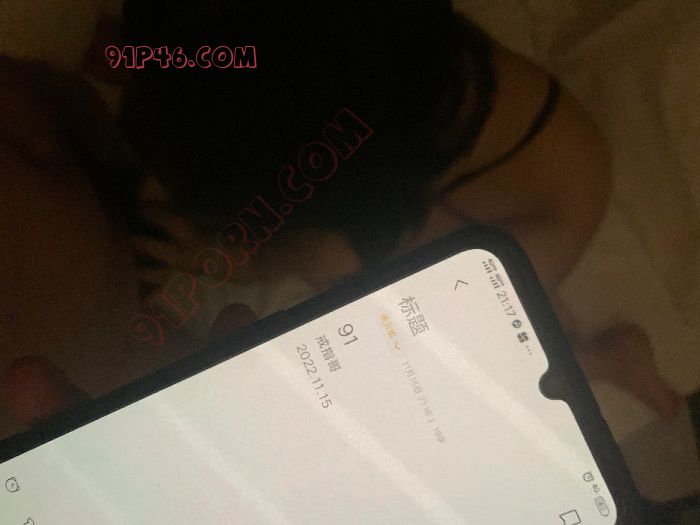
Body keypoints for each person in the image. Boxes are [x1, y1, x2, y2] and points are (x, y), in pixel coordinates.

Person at [0, 0, 681, 433]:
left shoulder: (355, 177)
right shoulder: (340, 42)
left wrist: (225, 257)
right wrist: (152, 59)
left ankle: (600, 358)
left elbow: (327, 255)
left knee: (435, 341)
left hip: (539, 217)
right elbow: (240, 51)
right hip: (492, 152)